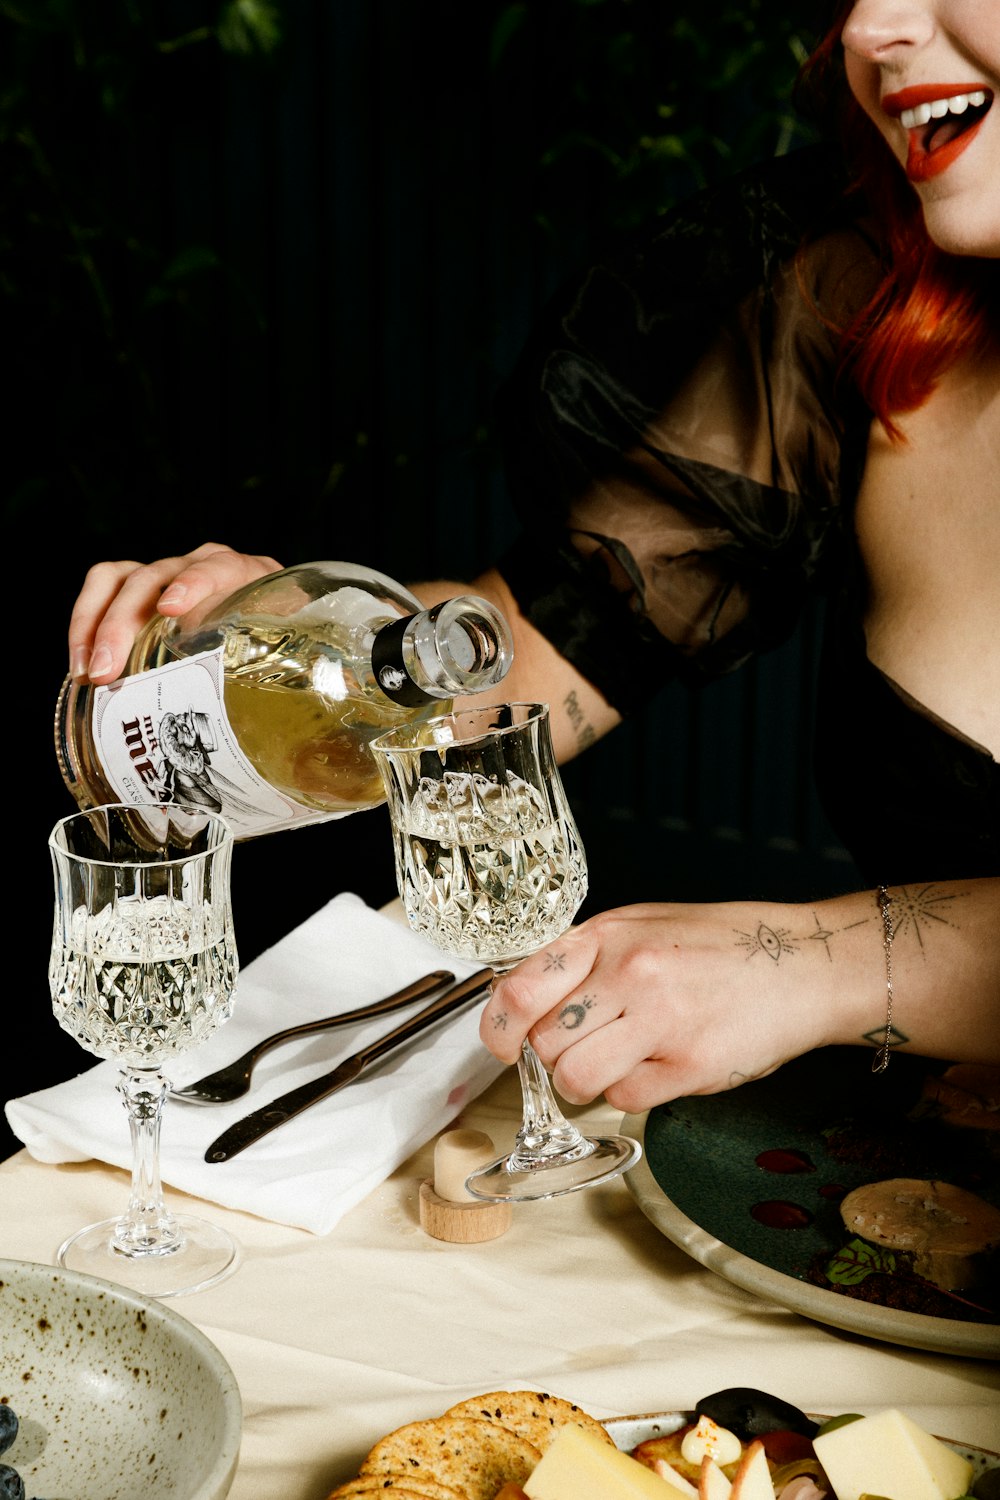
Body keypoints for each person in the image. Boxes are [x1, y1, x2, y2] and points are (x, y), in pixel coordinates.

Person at [64, 0, 1000, 1115]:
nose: (876, 30)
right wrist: (296, 651)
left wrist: (821, 963)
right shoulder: (862, 299)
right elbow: (555, 641)